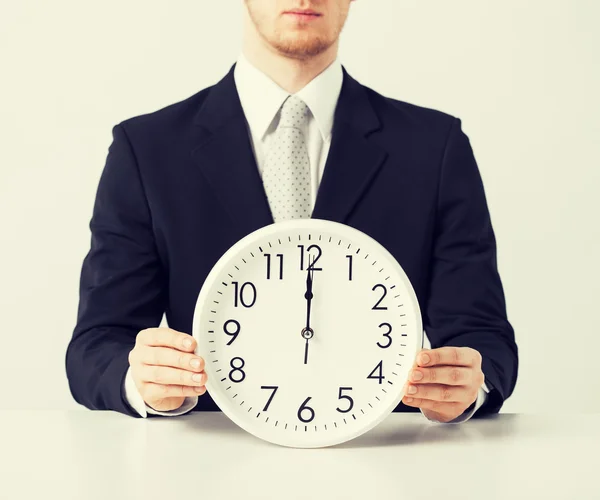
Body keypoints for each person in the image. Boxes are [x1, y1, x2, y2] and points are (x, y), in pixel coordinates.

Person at [66, 0, 518, 424]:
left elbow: (484, 338)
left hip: (382, 458)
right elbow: (97, 344)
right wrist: (141, 379)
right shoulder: (148, 149)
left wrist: (465, 388)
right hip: (207, 463)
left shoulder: (433, 147)